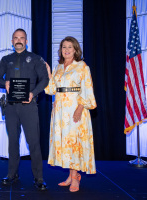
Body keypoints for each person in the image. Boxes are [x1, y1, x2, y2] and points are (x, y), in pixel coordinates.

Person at [0, 28, 48, 190]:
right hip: (10, 107)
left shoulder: (36, 59)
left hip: (29, 106)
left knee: (34, 143)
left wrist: (33, 93)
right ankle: (12, 174)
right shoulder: (6, 59)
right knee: (12, 143)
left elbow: (44, 79)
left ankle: (38, 178)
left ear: (26, 41)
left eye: (22, 38)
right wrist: (5, 84)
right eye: (16, 38)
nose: (19, 40)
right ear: (12, 41)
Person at [45, 36, 97, 192]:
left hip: (75, 108)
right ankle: (71, 175)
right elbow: (51, 89)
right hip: (60, 111)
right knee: (66, 142)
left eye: (69, 47)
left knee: (74, 142)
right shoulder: (59, 67)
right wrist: (49, 73)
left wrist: (80, 108)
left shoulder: (82, 66)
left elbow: (87, 90)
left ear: (75, 49)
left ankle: (75, 178)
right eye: (63, 47)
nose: (66, 50)